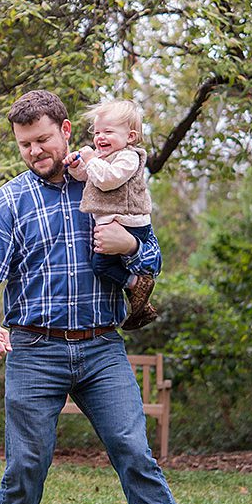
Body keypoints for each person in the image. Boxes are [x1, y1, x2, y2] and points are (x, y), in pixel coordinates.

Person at [0, 90, 181, 504]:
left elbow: (151, 260)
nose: (34, 151)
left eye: (42, 139)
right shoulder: (6, 203)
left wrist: (131, 245)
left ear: (66, 130)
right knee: (26, 465)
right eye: (25, 144)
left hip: (102, 348)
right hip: (35, 350)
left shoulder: (110, 185)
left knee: (135, 453)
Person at [64, 99, 163, 330]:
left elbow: (107, 180)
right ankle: (141, 303)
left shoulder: (129, 157)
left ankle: (137, 284)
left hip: (130, 223)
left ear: (130, 136)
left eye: (108, 132)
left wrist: (90, 159)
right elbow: (88, 177)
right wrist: (76, 166)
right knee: (104, 265)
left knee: (101, 265)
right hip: (114, 223)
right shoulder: (103, 157)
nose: (100, 137)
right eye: (97, 132)